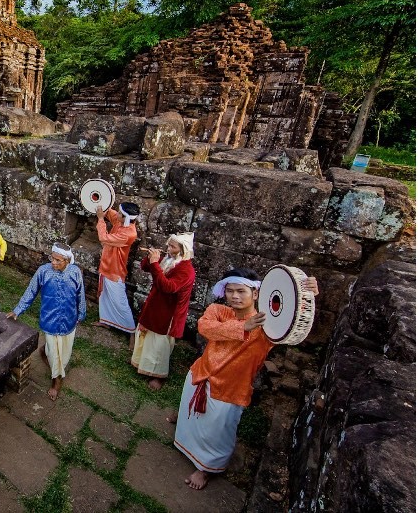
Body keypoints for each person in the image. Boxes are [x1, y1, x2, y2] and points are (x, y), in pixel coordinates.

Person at [171, 268, 319, 490]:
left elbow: (290, 320)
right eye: (230, 291)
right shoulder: (218, 310)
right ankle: (185, 437)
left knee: (219, 430)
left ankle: (207, 468)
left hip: (231, 388)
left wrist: (307, 297)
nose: (234, 296)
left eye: (241, 291)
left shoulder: (268, 326)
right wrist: (242, 327)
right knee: (192, 417)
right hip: (201, 373)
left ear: (256, 294)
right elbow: (205, 327)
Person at [8, 243, 86, 401]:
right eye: (52, 258)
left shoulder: (75, 272)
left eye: (58, 260)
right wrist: (17, 310)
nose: (53, 262)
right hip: (50, 320)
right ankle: (56, 381)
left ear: (67, 260)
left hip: (69, 320)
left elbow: (80, 294)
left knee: (65, 353)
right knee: (55, 356)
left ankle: (45, 351)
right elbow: (31, 291)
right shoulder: (43, 271)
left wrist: (81, 313)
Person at [132, 233, 196, 390]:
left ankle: (158, 375)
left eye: (173, 246)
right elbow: (145, 267)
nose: (168, 248)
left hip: (169, 311)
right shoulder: (169, 259)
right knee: (146, 334)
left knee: (159, 342)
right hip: (156, 303)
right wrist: (150, 258)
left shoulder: (186, 270)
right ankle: (141, 363)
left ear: (183, 250)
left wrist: (155, 263)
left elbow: (168, 287)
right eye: (169, 245)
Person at [94, 203, 139, 334]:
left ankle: (131, 330)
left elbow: (103, 238)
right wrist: (101, 203)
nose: (117, 214)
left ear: (126, 217)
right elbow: (109, 212)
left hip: (115, 270)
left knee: (120, 302)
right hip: (106, 264)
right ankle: (106, 321)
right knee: (105, 296)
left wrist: (100, 219)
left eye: (120, 213)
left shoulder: (129, 234)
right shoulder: (121, 221)